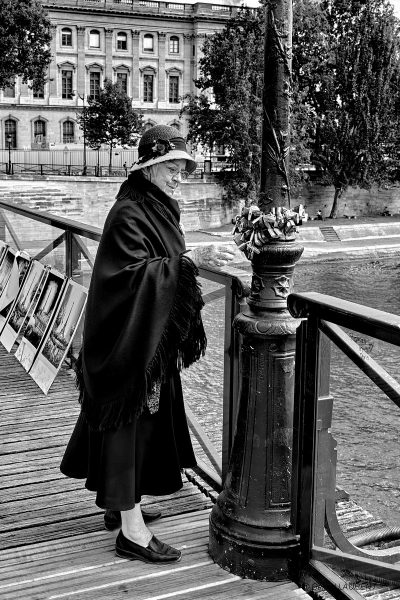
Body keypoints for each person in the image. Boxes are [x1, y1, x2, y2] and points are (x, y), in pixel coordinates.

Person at [60, 125, 234, 565]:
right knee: (130, 425)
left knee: (139, 425)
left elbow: (155, 264)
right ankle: (131, 532)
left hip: (138, 340)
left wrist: (181, 264)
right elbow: (128, 277)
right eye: (172, 168)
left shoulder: (151, 205)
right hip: (126, 346)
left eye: (183, 169)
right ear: (150, 167)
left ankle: (123, 506)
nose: (180, 176)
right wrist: (189, 262)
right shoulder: (129, 212)